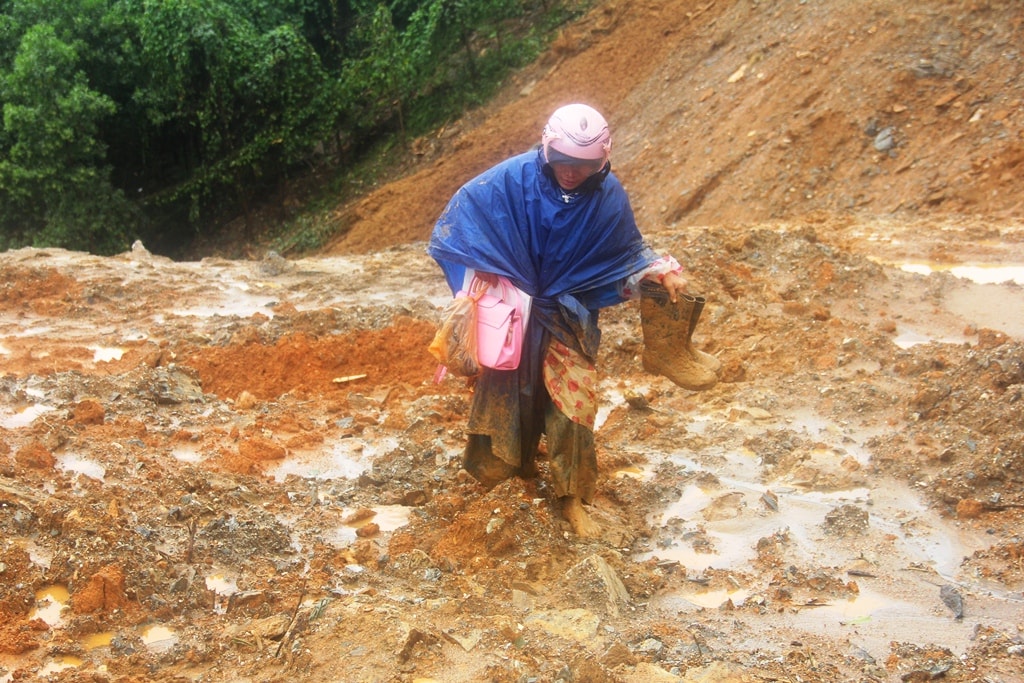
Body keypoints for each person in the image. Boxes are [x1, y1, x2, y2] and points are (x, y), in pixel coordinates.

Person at [428, 103, 715, 538]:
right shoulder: (510, 180)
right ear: (547, 149)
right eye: (564, 161)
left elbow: (623, 252)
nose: (571, 172)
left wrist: (659, 270)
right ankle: (501, 481)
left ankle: (573, 498)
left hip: (568, 316)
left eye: (585, 165)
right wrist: (483, 272)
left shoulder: (608, 196)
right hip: (513, 317)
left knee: (573, 406)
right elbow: (464, 221)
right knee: (503, 398)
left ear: (601, 161)